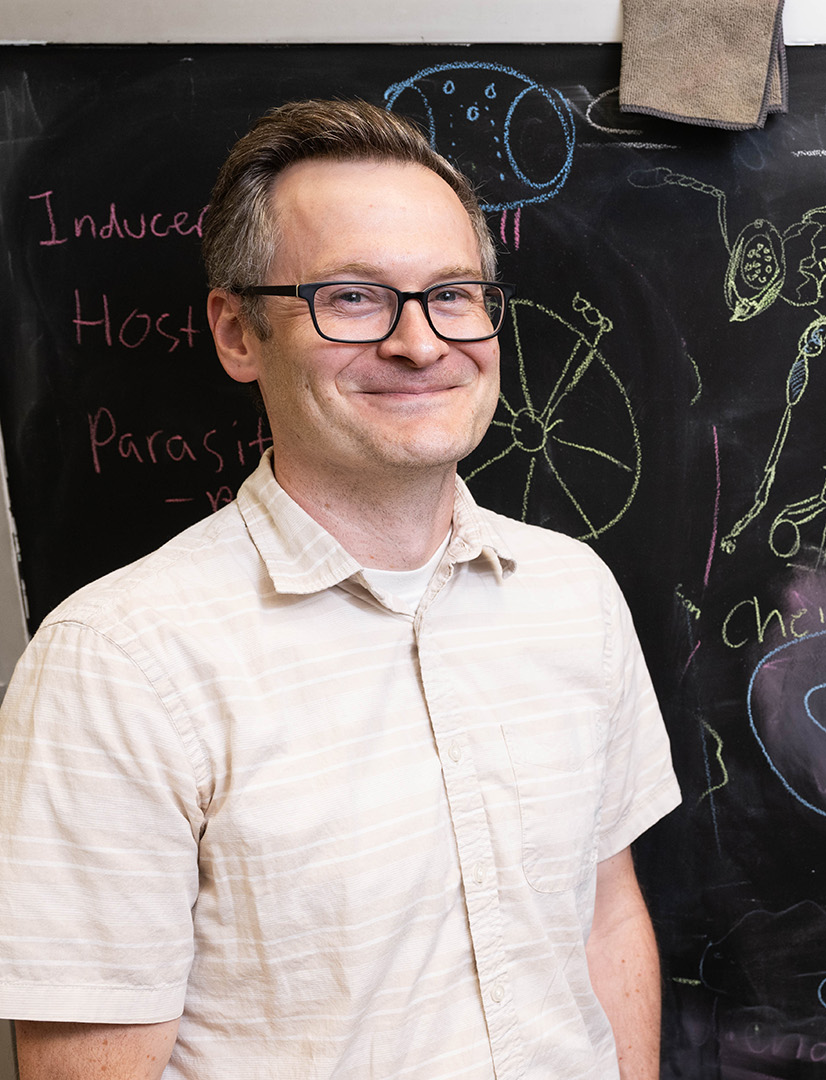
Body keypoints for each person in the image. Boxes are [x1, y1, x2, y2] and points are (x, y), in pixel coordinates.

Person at [0, 100, 680, 1078]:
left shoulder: (571, 594)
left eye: (453, 293)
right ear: (239, 335)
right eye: (353, 297)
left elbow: (606, 911)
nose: (421, 343)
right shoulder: (117, 665)